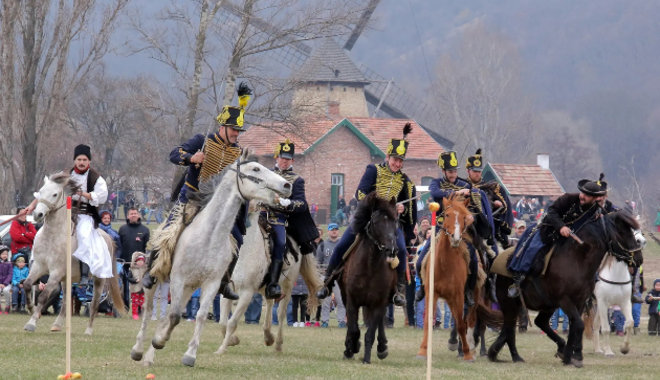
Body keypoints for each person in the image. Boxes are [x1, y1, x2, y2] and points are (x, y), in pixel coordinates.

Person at [141, 83, 253, 302]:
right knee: (168, 232)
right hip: (191, 198)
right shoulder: (202, 141)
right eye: (233, 129)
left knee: (237, 239)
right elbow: (175, 154)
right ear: (223, 127)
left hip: (218, 206)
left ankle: (223, 281)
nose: (236, 134)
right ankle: (151, 273)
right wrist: (191, 158)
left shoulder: (238, 152)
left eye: (239, 131)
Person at [317, 123, 417, 307]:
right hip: (367, 219)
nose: (397, 163)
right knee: (343, 244)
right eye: (395, 159)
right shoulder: (374, 170)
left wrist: (400, 211)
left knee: (401, 249)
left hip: (389, 225)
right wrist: (379, 204)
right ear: (387, 157)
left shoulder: (405, 182)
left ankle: (399, 289)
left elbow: (408, 209)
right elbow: (360, 194)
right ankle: (327, 282)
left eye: (401, 161)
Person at [415, 150, 494, 306]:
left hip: (461, 230)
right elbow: (436, 193)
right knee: (420, 261)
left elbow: (474, 207)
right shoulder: (436, 183)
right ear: (444, 171)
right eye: (450, 171)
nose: (453, 174)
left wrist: (472, 216)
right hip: (440, 227)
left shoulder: (466, 184)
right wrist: (457, 192)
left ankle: (469, 290)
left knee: (471, 259)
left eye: (454, 170)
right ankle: (424, 287)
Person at [507, 174, 607, 298]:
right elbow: (551, 212)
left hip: (568, 241)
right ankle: (518, 280)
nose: (582, 196)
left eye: (587, 195)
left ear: (594, 198)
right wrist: (561, 227)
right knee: (533, 250)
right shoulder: (568, 198)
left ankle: (590, 285)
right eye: (582, 193)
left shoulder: (595, 209)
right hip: (547, 231)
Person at [261, 139, 318, 299]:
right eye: (282, 157)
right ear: (276, 157)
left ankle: (272, 285)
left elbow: (302, 204)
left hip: (279, 219)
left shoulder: (297, 180)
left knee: (280, 243)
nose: (284, 161)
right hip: (261, 214)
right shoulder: (266, 174)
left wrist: (288, 203)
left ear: (292, 160)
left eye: (287, 159)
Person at [465, 149, 513, 249]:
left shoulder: (490, 188)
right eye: (475, 171)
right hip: (466, 228)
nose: (477, 174)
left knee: (495, 252)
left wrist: (497, 204)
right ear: (468, 171)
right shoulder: (462, 187)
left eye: (479, 171)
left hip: (486, 230)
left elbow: (504, 207)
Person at [315, 223, 346, 328]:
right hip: (325, 277)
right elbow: (318, 262)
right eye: (332, 229)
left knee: (341, 300)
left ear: (338, 231)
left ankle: (341, 321)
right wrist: (320, 273)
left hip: (339, 276)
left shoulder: (342, 245)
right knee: (325, 301)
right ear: (328, 231)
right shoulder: (322, 245)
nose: (334, 231)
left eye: (336, 229)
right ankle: (324, 321)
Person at [118, 207, 150, 306]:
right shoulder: (122, 229)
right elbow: (119, 246)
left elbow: (147, 247)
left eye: (135, 213)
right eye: (131, 214)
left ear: (139, 215)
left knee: (139, 287)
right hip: (125, 263)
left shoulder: (145, 230)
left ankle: (139, 308)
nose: (133, 215)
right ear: (128, 216)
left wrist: (145, 261)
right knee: (125, 287)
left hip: (139, 265)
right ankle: (125, 306)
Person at [127, 252, 148, 320]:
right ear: (136, 261)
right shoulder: (132, 269)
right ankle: (134, 314)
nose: (141, 262)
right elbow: (128, 278)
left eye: (142, 261)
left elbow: (147, 277)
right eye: (139, 261)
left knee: (142, 302)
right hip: (135, 289)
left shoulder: (145, 269)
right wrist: (135, 280)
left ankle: (142, 313)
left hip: (143, 288)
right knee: (135, 302)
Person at [0, 246, 13, 314]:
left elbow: (10, 274)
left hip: (7, 284)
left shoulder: (9, 263)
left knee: (6, 291)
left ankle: (7, 306)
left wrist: (5, 283)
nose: (4, 255)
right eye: (3, 254)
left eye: (6, 254)